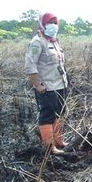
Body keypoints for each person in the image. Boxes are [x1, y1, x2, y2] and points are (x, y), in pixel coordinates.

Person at [24, 12, 69, 154]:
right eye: (50, 23)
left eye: (55, 23)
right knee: (47, 115)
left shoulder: (54, 41)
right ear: (43, 24)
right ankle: (50, 147)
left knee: (60, 113)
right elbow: (30, 64)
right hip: (47, 87)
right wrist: (38, 85)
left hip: (61, 84)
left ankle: (59, 140)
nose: (54, 26)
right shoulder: (38, 41)